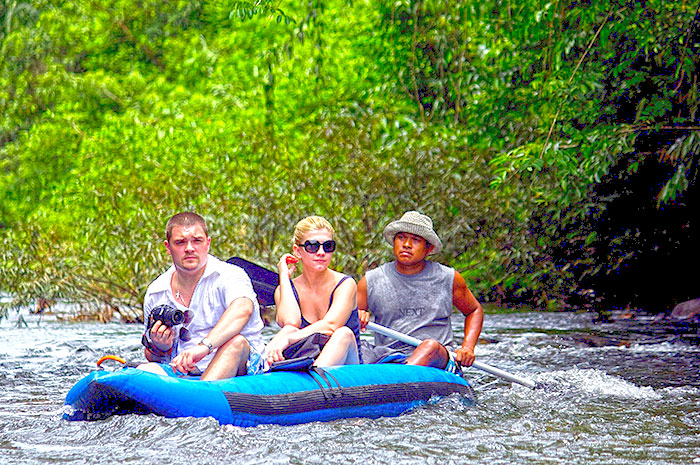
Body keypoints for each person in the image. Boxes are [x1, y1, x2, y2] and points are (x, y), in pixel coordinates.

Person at [137, 212, 265, 380]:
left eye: (197, 241)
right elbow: (153, 356)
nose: (189, 248)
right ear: (168, 247)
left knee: (237, 343)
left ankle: (200, 396)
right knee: (146, 370)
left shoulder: (230, 275)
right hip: (183, 372)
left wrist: (204, 347)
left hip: (239, 368)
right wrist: (160, 347)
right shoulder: (156, 292)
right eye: (180, 242)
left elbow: (243, 309)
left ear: (208, 244)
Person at [358, 211, 484, 370]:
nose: (407, 245)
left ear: (428, 248)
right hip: (388, 357)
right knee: (359, 347)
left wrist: (467, 348)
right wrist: (359, 314)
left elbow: (474, 310)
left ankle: (402, 377)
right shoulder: (370, 281)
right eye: (401, 238)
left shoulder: (449, 278)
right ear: (394, 241)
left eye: (416, 240)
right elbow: (348, 321)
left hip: (437, 357)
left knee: (430, 347)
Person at [265, 216, 361, 367]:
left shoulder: (345, 284)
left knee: (343, 334)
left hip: (347, 365)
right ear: (297, 251)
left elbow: (331, 325)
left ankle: (314, 384)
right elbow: (290, 323)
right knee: (288, 330)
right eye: (312, 246)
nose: (321, 252)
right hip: (306, 360)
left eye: (328, 246)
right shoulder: (285, 290)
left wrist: (291, 339)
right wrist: (283, 276)